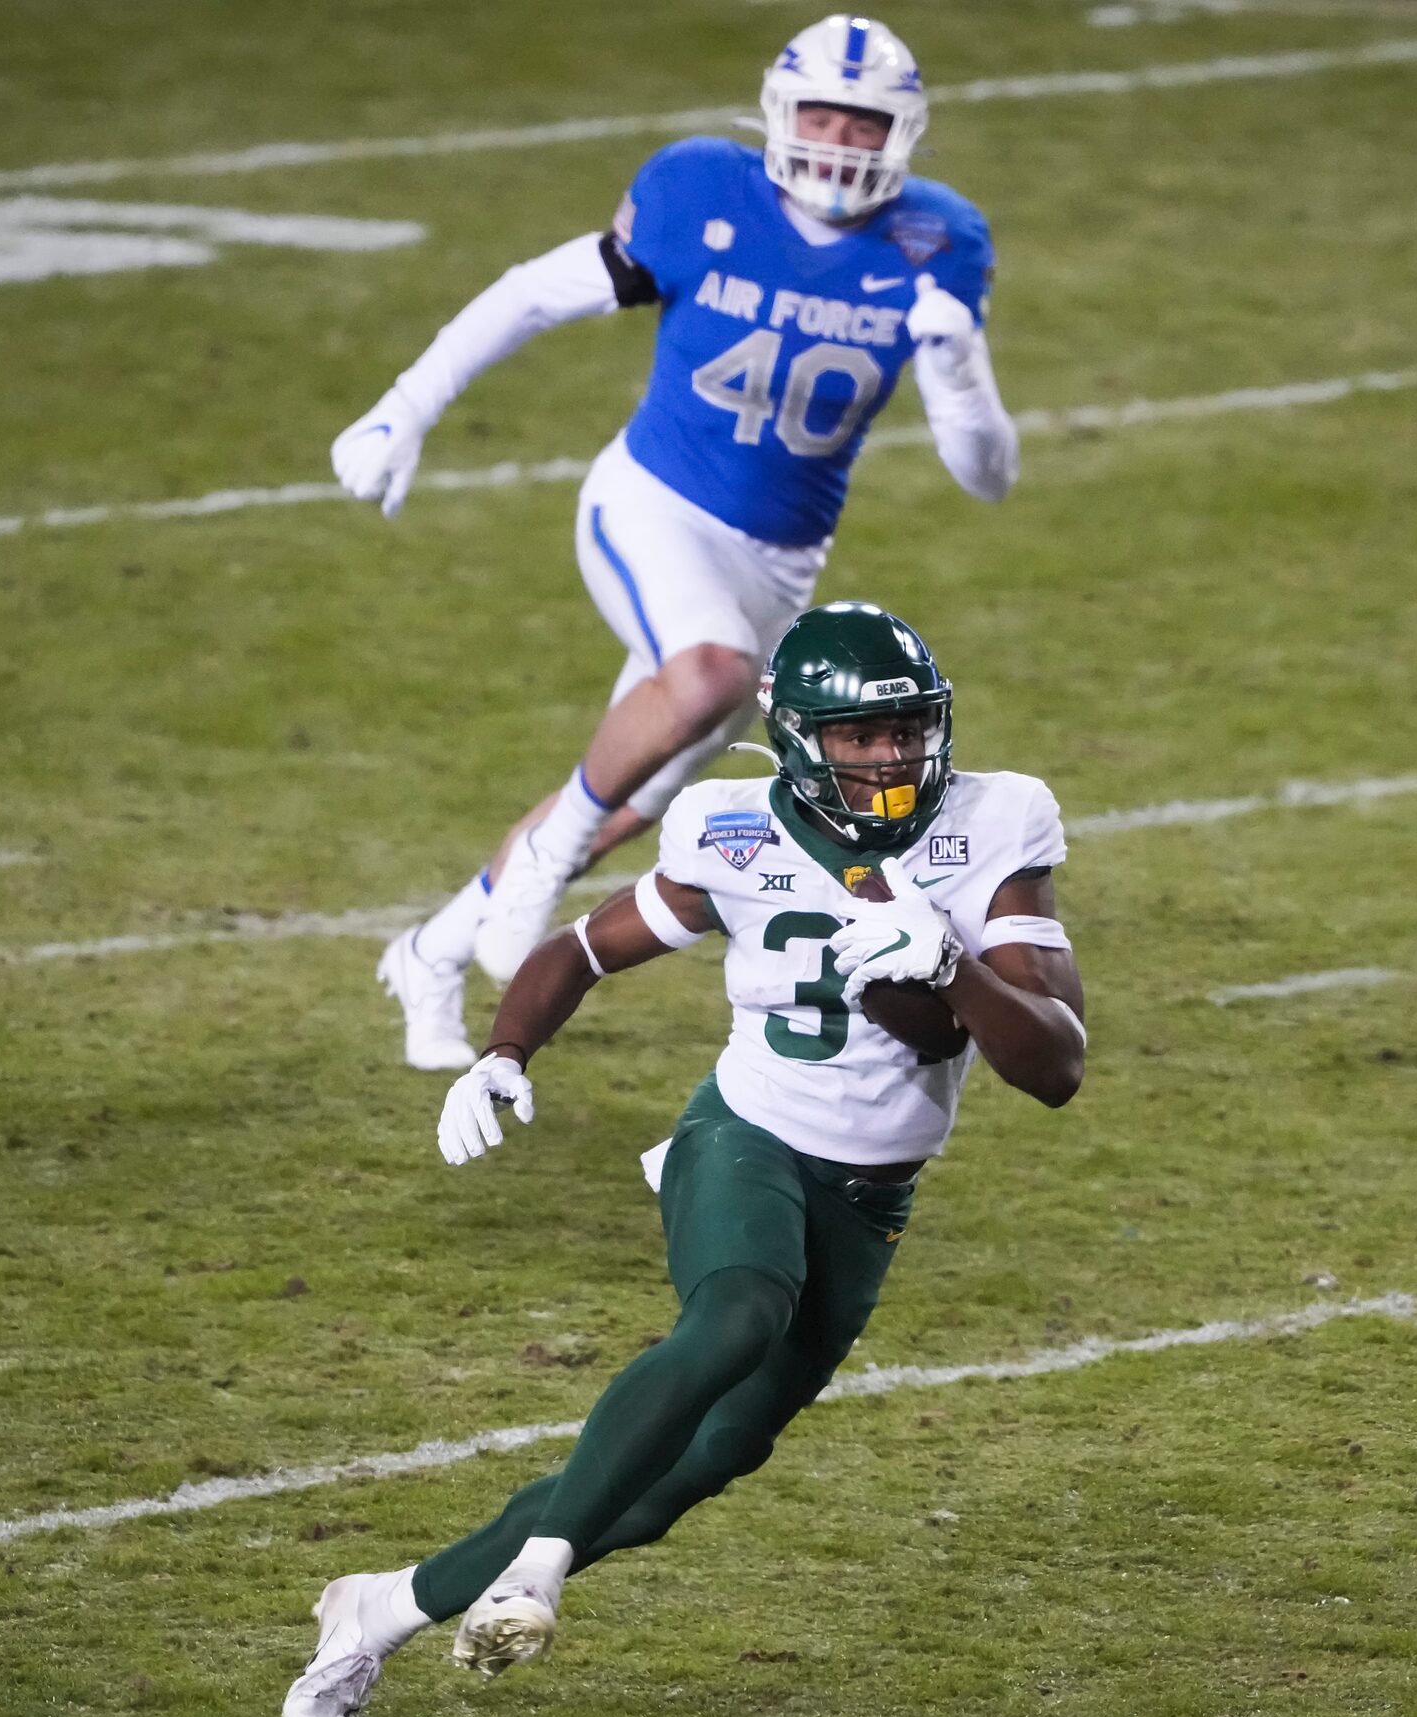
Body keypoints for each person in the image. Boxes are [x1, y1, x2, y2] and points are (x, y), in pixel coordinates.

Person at [282, 602, 1084, 1717]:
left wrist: (949, 960)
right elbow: (580, 948)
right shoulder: (733, 831)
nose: (888, 757)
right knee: (736, 1314)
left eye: (904, 730)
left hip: (872, 1191)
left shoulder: (993, 826)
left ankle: (380, 1607)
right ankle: (536, 1573)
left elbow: (1050, 1066)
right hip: (744, 1135)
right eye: (857, 738)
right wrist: (504, 1053)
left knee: (694, 1464)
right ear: (800, 737)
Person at [336, 14, 1021, 1070]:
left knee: (635, 799)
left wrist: (959, 365)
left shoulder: (935, 240)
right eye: (822, 115)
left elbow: (985, 477)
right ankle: (531, 871)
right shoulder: (703, 191)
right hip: (649, 507)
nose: (838, 140)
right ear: (778, 115)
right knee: (704, 678)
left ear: (903, 131)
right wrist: (403, 406)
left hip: (777, 565)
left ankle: (428, 953)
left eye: (863, 120)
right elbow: (533, 293)